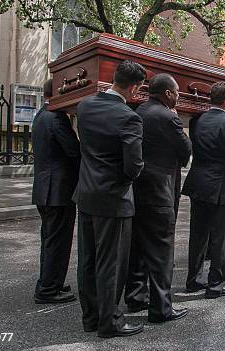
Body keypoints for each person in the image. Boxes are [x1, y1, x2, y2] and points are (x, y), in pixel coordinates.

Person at [74, 60, 146, 338]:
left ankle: (90, 318)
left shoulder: (85, 105)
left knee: (88, 260)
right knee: (111, 263)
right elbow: (133, 165)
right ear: (134, 87)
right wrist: (127, 180)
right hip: (114, 198)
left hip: (86, 194)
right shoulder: (129, 117)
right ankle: (110, 322)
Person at [125, 73, 191, 323]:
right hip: (160, 192)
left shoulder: (137, 111)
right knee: (162, 252)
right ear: (168, 94)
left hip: (137, 191)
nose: (178, 97)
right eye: (176, 93)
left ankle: (135, 297)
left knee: (138, 248)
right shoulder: (168, 117)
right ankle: (161, 307)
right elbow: (185, 151)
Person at [182, 81, 225, 299]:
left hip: (198, 183)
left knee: (198, 235)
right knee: (221, 237)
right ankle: (215, 284)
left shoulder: (196, 121)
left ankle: (193, 280)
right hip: (221, 186)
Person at [31, 79, 80, 304]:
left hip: (45, 189)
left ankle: (50, 281)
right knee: (58, 241)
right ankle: (49, 289)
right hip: (58, 191)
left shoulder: (41, 115)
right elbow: (73, 151)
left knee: (49, 240)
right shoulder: (56, 118)